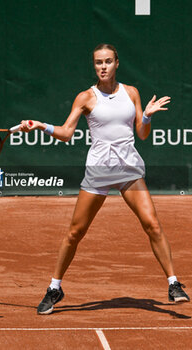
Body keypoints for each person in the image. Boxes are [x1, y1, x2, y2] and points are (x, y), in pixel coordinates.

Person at [21, 43, 190, 315]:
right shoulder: (85, 98)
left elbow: (142, 134)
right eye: (98, 62)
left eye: (108, 61)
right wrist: (43, 125)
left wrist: (146, 116)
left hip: (128, 169)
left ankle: (173, 284)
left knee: (153, 224)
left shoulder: (131, 93)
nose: (103, 66)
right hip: (99, 170)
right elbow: (66, 133)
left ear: (117, 63)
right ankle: (55, 287)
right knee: (76, 232)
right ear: (94, 65)